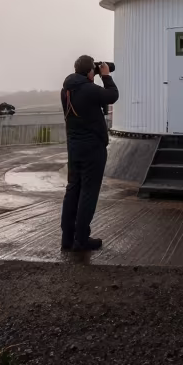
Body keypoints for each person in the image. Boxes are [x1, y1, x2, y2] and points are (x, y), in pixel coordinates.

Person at [60, 55, 119, 251]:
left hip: (74, 148)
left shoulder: (67, 90)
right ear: (89, 72)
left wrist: (95, 75)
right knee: (88, 193)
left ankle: (67, 238)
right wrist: (106, 76)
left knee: (73, 190)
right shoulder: (89, 89)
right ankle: (81, 239)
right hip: (92, 148)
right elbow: (112, 95)